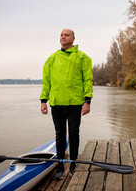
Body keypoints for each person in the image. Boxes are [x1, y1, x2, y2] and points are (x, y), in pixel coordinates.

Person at [40, 28, 93, 180]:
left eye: (66, 35)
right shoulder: (52, 58)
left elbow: (87, 80)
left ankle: (74, 163)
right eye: (61, 35)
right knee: (59, 135)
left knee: (74, 133)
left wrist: (87, 101)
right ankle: (60, 165)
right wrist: (44, 101)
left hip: (75, 103)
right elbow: (46, 81)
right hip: (56, 103)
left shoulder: (83, 58)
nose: (63, 37)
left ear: (73, 38)